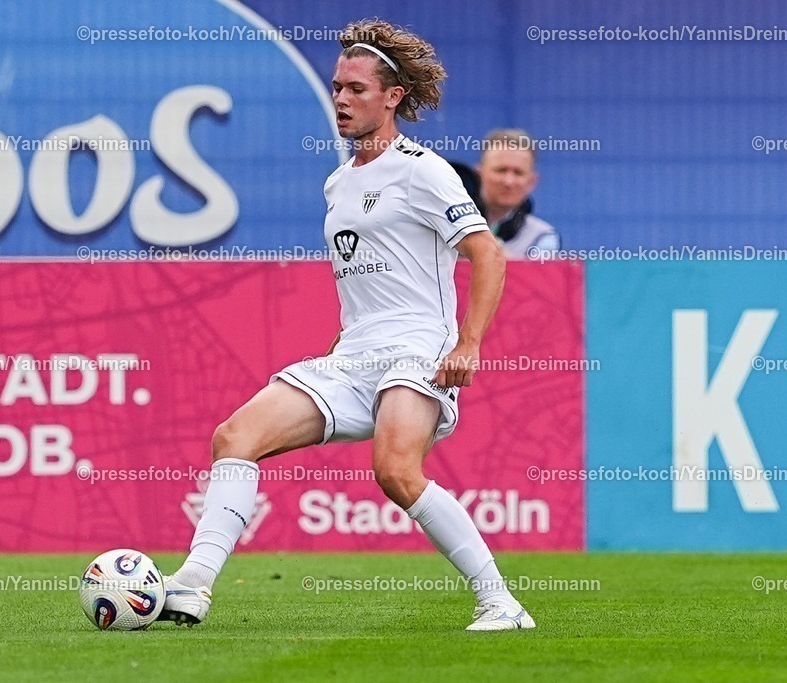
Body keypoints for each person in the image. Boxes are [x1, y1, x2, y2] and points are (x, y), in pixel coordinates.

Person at [159, 19, 535, 632]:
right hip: (355, 355)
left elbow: (487, 253)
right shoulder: (337, 182)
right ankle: (194, 585)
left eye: (356, 89)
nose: (341, 99)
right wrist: (343, 341)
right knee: (234, 438)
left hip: (418, 348)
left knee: (395, 470)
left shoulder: (423, 170)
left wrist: (468, 343)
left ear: (392, 98)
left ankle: (501, 602)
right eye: (337, 88)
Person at [477, 129, 559, 259]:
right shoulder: (449, 224)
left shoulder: (543, 236)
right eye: (501, 170)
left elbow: (537, 279)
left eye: (518, 173)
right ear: (479, 173)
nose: (508, 182)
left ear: (532, 181)